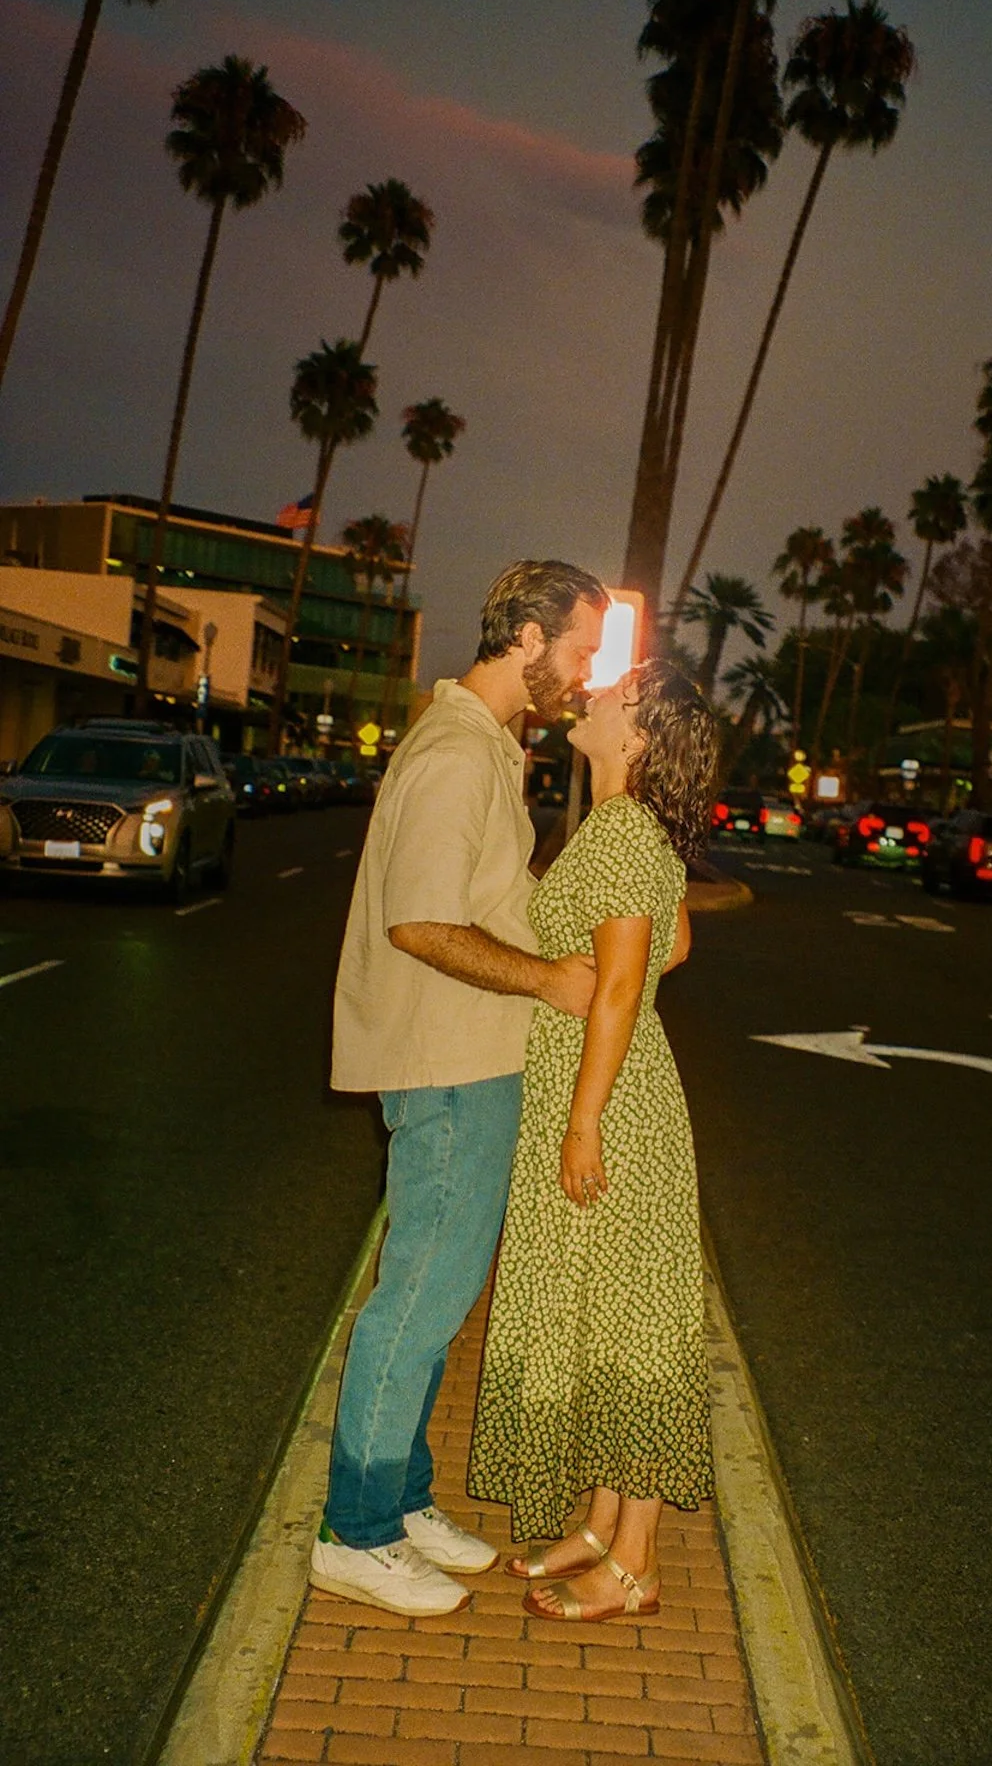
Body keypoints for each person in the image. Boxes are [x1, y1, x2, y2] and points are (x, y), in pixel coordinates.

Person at [310, 560, 608, 1618]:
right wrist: (548, 981)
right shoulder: (453, 752)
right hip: (444, 1063)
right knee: (418, 1298)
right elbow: (420, 923)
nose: (584, 674)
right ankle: (355, 1532)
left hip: (472, 1056)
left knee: (437, 1296)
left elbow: (484, 896)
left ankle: (400, 1497)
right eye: (578, 651)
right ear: (526, 638)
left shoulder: (483, 744)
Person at [467, 657, 720, 1623]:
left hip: (609, 1104)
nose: (597, 694)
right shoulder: (629, 827)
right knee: (611, 1311)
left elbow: (621, 983)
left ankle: (637, 1564)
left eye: (618, 695)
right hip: (617, 1087)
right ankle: (604, 1527)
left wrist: (583, 1121)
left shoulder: (619, 831)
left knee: (634, 1324)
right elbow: (673, 945)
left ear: (637, 736)